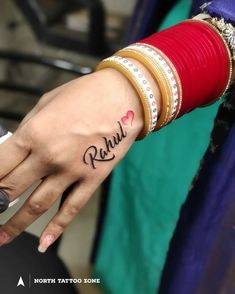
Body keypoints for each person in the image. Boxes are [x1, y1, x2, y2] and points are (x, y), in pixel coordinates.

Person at [0, 0, 234, 293]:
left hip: (199, 78)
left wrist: (136, 87)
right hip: (171, 30)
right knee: (141, 212)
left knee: (199, 248)